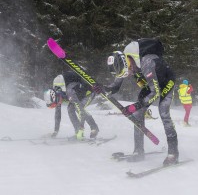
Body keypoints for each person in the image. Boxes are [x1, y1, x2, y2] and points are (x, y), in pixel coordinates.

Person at [93, 38, 178, 166]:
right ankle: (138, 151)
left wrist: (135, 106)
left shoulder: (147, 62)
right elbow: (114, 87)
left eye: (128, 71)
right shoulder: (124, 63)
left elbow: (155, 93)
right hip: (151, 84)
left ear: (128, 62)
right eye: (124, 74)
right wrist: (103, 88)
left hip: (166, 81)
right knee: (138, 115)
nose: (128, 75)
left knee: (164, 112)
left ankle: (173, 153)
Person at [44, 70, 99, 140]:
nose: (57, 105)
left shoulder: (69, 92)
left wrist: (81, 129)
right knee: (70, 108)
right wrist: (55, 131)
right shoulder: (57, 93)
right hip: (78, 93)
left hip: (89, 93)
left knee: (76, 108)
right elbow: (58, 114)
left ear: (57, 98)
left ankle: (94, 128)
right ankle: (77, 131)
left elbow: (80, 110)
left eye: (55, 104)